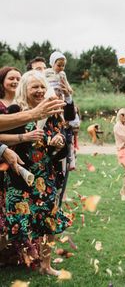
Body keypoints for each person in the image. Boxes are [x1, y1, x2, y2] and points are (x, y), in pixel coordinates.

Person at [3, 70, 72, 275]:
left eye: (42, 86)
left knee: (49, 221)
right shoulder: (16, 110)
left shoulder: (51, 113)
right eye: (35, 87)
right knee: (17, 223)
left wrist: (58, 143)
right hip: (20, 176)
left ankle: (46, 265)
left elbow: (61, 146)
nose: (40, 90)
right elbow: (1, 137)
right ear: (25, 89)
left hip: (46, 176)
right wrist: (24, 136)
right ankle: (19, 258)